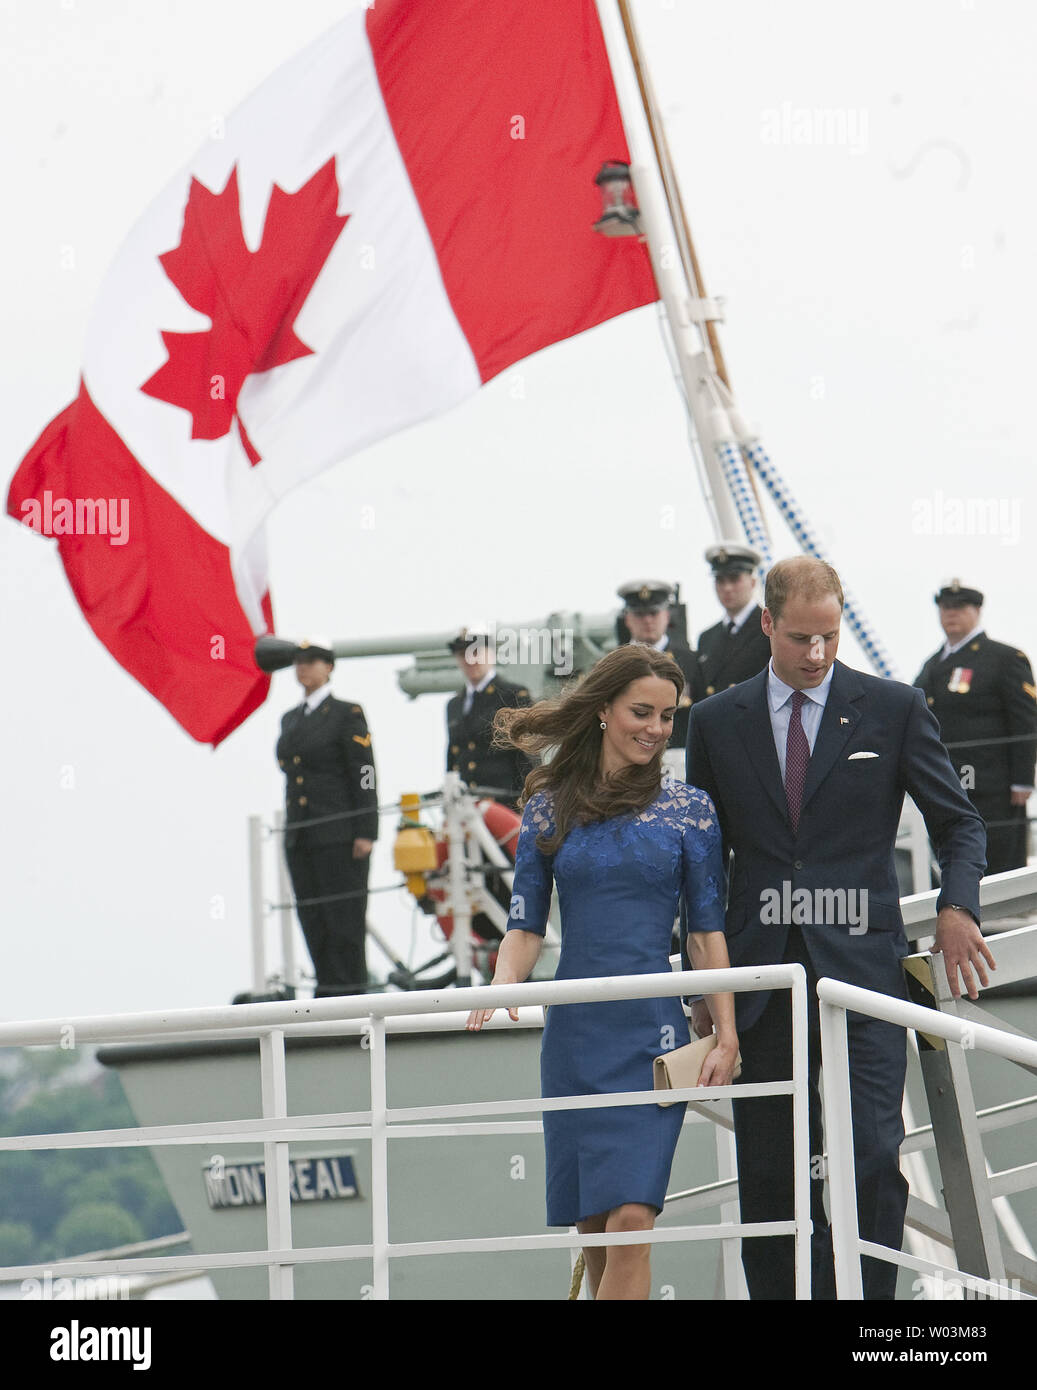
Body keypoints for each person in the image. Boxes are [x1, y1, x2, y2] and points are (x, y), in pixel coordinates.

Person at [685, 556, 990, 1300]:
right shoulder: (714, 722)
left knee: (871, 1156)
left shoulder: (892, 707)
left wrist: (956, 908)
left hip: (865, 977)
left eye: (828, 637)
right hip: (757, 980)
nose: (816, 654)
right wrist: (702, 981)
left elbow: (958, 825)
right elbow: (698, 864)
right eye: (798, 638)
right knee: (766, 1166)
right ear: (765, 624)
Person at [466, 644, 738, 1301]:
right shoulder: (546, 807)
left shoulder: (689, 810)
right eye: (641, 712)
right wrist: (504, 983)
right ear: (602, 712)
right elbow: (525, 926)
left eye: (668, 717)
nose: (655, 728)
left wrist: (726, 1032)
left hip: (651, 1039)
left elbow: (705, 933)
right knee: (593, 1229)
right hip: (575, 1040)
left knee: (632, 1219)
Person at [276, 636, 379, 997]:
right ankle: (326, 991)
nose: (304, 666)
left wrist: (367, 829)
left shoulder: (346, 714)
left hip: (339, 833)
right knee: (312, 917)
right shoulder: (290, 719)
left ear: (329, 667)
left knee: (343, 919)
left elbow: (364, 772)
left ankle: (349, 994)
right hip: (301, 834)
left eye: (313, 660)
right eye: (299, 661)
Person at [913, 581, 1036, 874]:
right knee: (952, 867)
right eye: (945, 608)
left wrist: (1022, 781)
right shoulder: (931, 665)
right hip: (945, 785)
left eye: (959, 608)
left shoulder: (1004, 658)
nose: (951, 614)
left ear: (976, 611)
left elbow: (1025, 720)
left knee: (996, 872)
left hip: (993, 788)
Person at [446, 628, 535, 809]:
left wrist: (531, 801)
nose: (470, 660)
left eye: (476, 652)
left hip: (508, 806)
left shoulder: (513, 695)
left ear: (491, 654)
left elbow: (528, 752)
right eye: (463, 654)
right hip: (467, 808)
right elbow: (452, 758)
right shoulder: (454, 705)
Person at [616, 578, 697, 758]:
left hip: (679, 759)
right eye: (640, 614)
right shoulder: (614, 665)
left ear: (667, 616)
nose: (647, 620)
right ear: (628, 619)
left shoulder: (692, 662)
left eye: (654, 613)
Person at [689, 544, 770, 704]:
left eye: (734, 579)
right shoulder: (707, 637)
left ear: (753, 582)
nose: (727, 588)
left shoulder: (769, 629)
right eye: (720, 580)